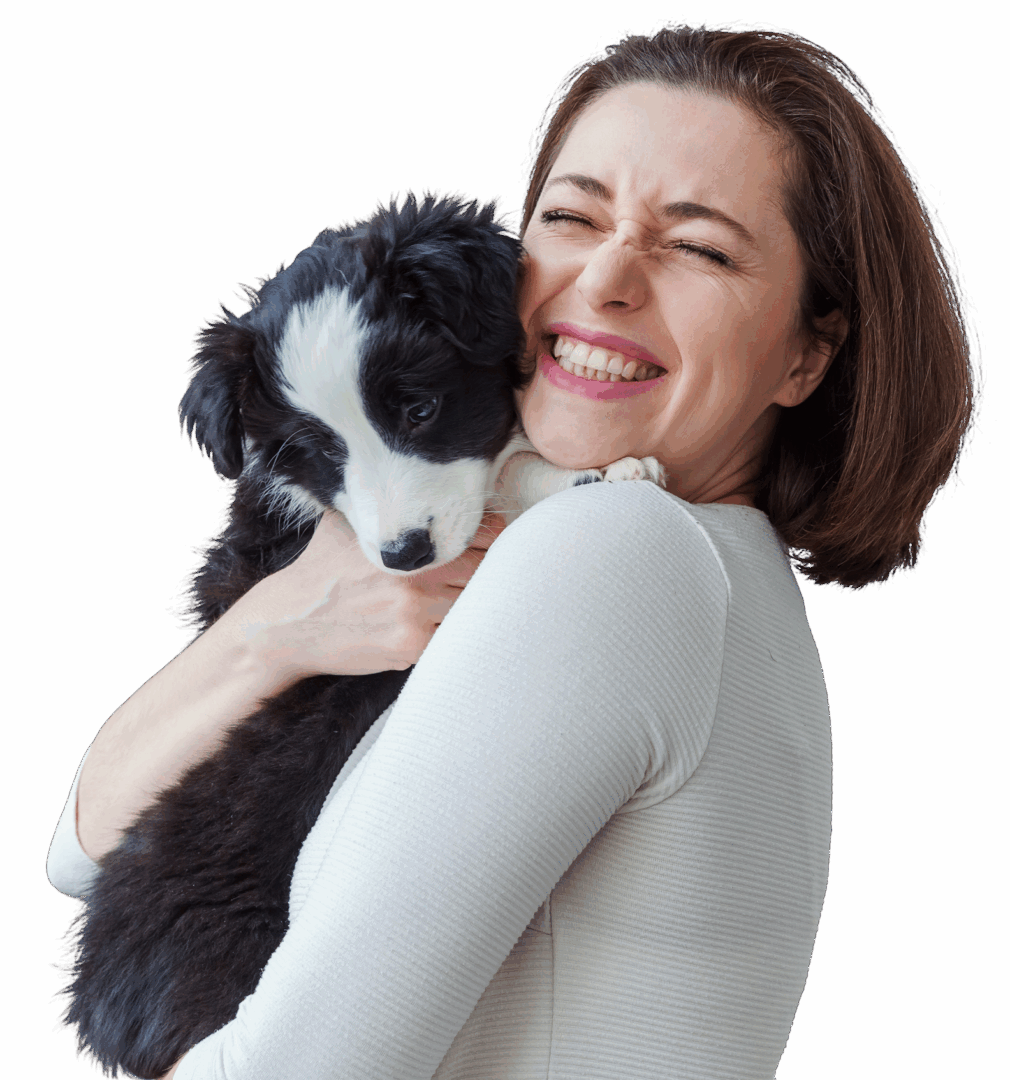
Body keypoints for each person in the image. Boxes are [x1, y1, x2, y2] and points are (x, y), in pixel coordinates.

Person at [47, 23, 975, 1080]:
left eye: (700, 245)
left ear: (806, 354)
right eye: (572, 217)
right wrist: (273, 631)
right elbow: (81, 849)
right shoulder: (701, 571)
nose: (608, 279)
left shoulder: (616, 552)